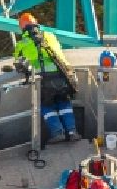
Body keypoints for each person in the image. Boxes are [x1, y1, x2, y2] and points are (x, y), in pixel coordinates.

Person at [14, 10, 78, 144]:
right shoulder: (50, 35)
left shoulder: (22, 44)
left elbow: (18, 62)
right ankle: (72, 132)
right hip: (62, 76)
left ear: (22, 27)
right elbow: (58, 51)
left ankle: (57, 132)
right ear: (36, 23)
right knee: (64, 103)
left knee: (47, 106)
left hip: (43, 80)